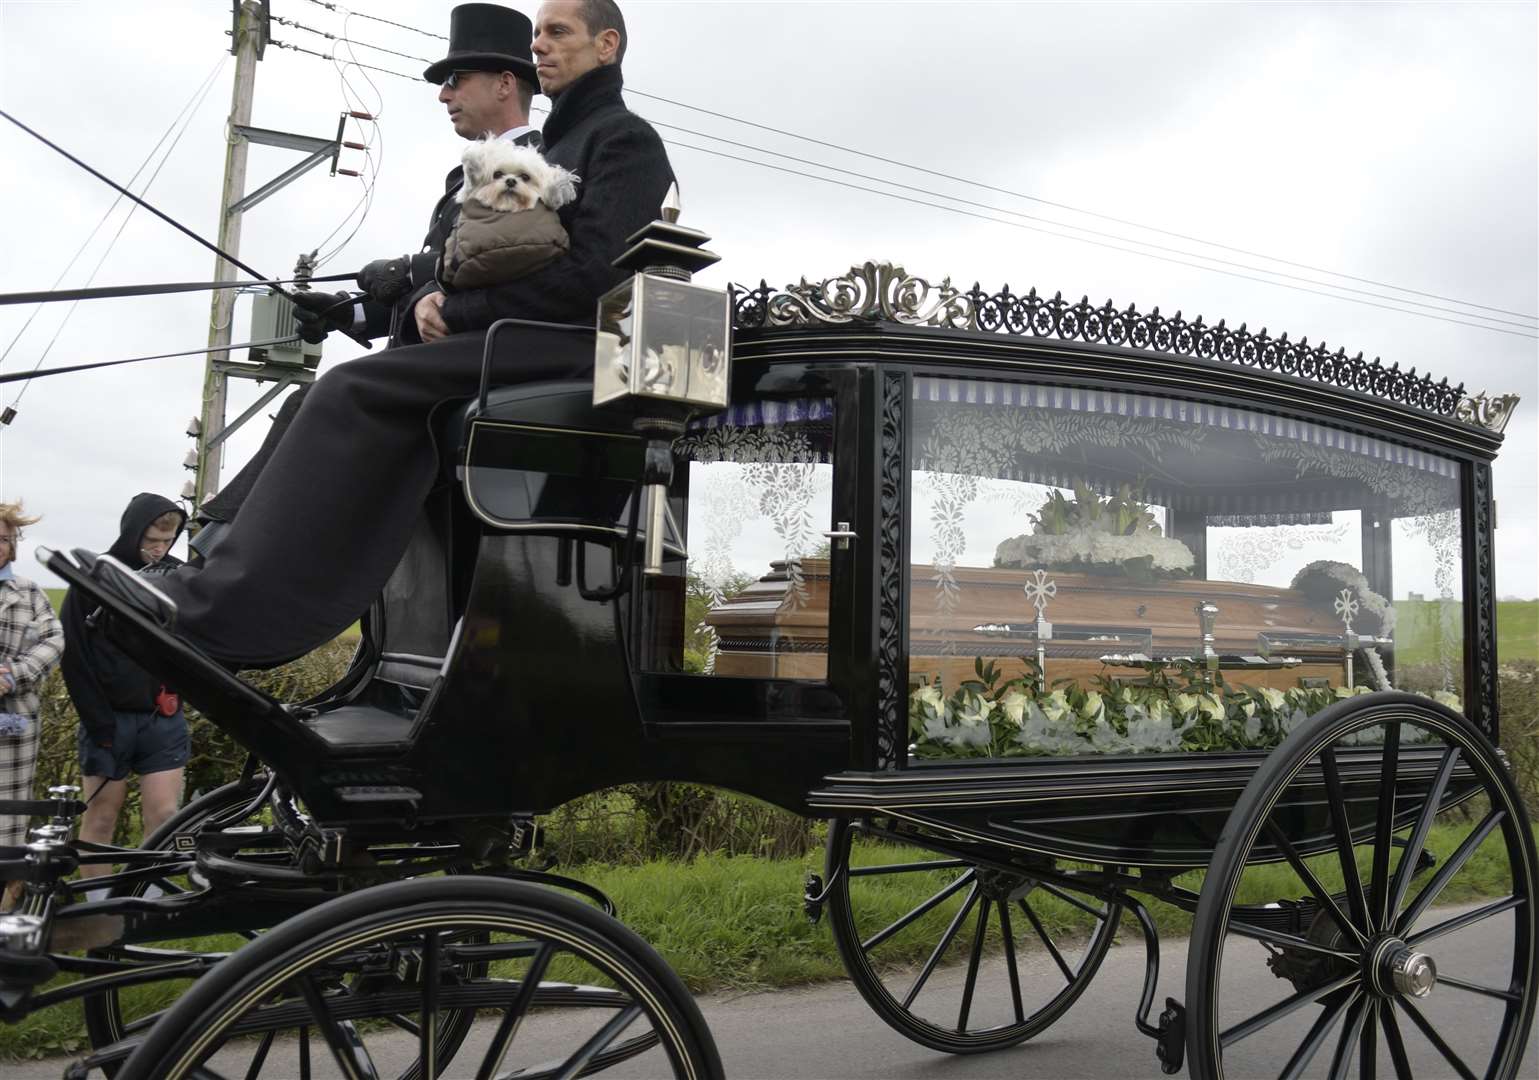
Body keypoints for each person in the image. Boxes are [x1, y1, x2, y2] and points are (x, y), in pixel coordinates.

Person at [155, 0, 674, 667]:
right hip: (518, 335)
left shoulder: (621, 140)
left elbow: (596, 278)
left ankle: (218, 612)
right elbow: (482, 264)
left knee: (351, 389)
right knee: (330, 394)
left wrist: (445, 306)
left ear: (606, 47)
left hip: (571, 347)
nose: (539, 45)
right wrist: (388, 304)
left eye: (557, 33)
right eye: (537, 33)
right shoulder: (559, 146)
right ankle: (213, 571)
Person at [193, 2, 546, 550]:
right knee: (304, 403)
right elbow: (442, 279)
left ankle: (227, 555)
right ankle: (212, 546)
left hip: (472, 368)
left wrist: (408, 269)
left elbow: (493, 266)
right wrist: (351, 311)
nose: (443, 94)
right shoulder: (467, 173)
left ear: (505, 83)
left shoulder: (534, 169)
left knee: (321, 402)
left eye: (455, 79)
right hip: (427, 359)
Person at [60, 495, 188, 875]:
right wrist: (99, 725)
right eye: (150, 540)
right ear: (131, 532)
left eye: (167, 541)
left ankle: (145, 905)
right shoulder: (93, 577)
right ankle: (100, 911)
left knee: (165, 816)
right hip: (107, 720)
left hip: (163, 718)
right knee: (101, 817)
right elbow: (74, 657)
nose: (158, 549)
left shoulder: (178, 578)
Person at [0, 501, 65, 907]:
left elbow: (55, 641)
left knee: (8, 819)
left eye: (4, 539)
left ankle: (6, 912)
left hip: (13, 725)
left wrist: (11, 675)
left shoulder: (27, 592)